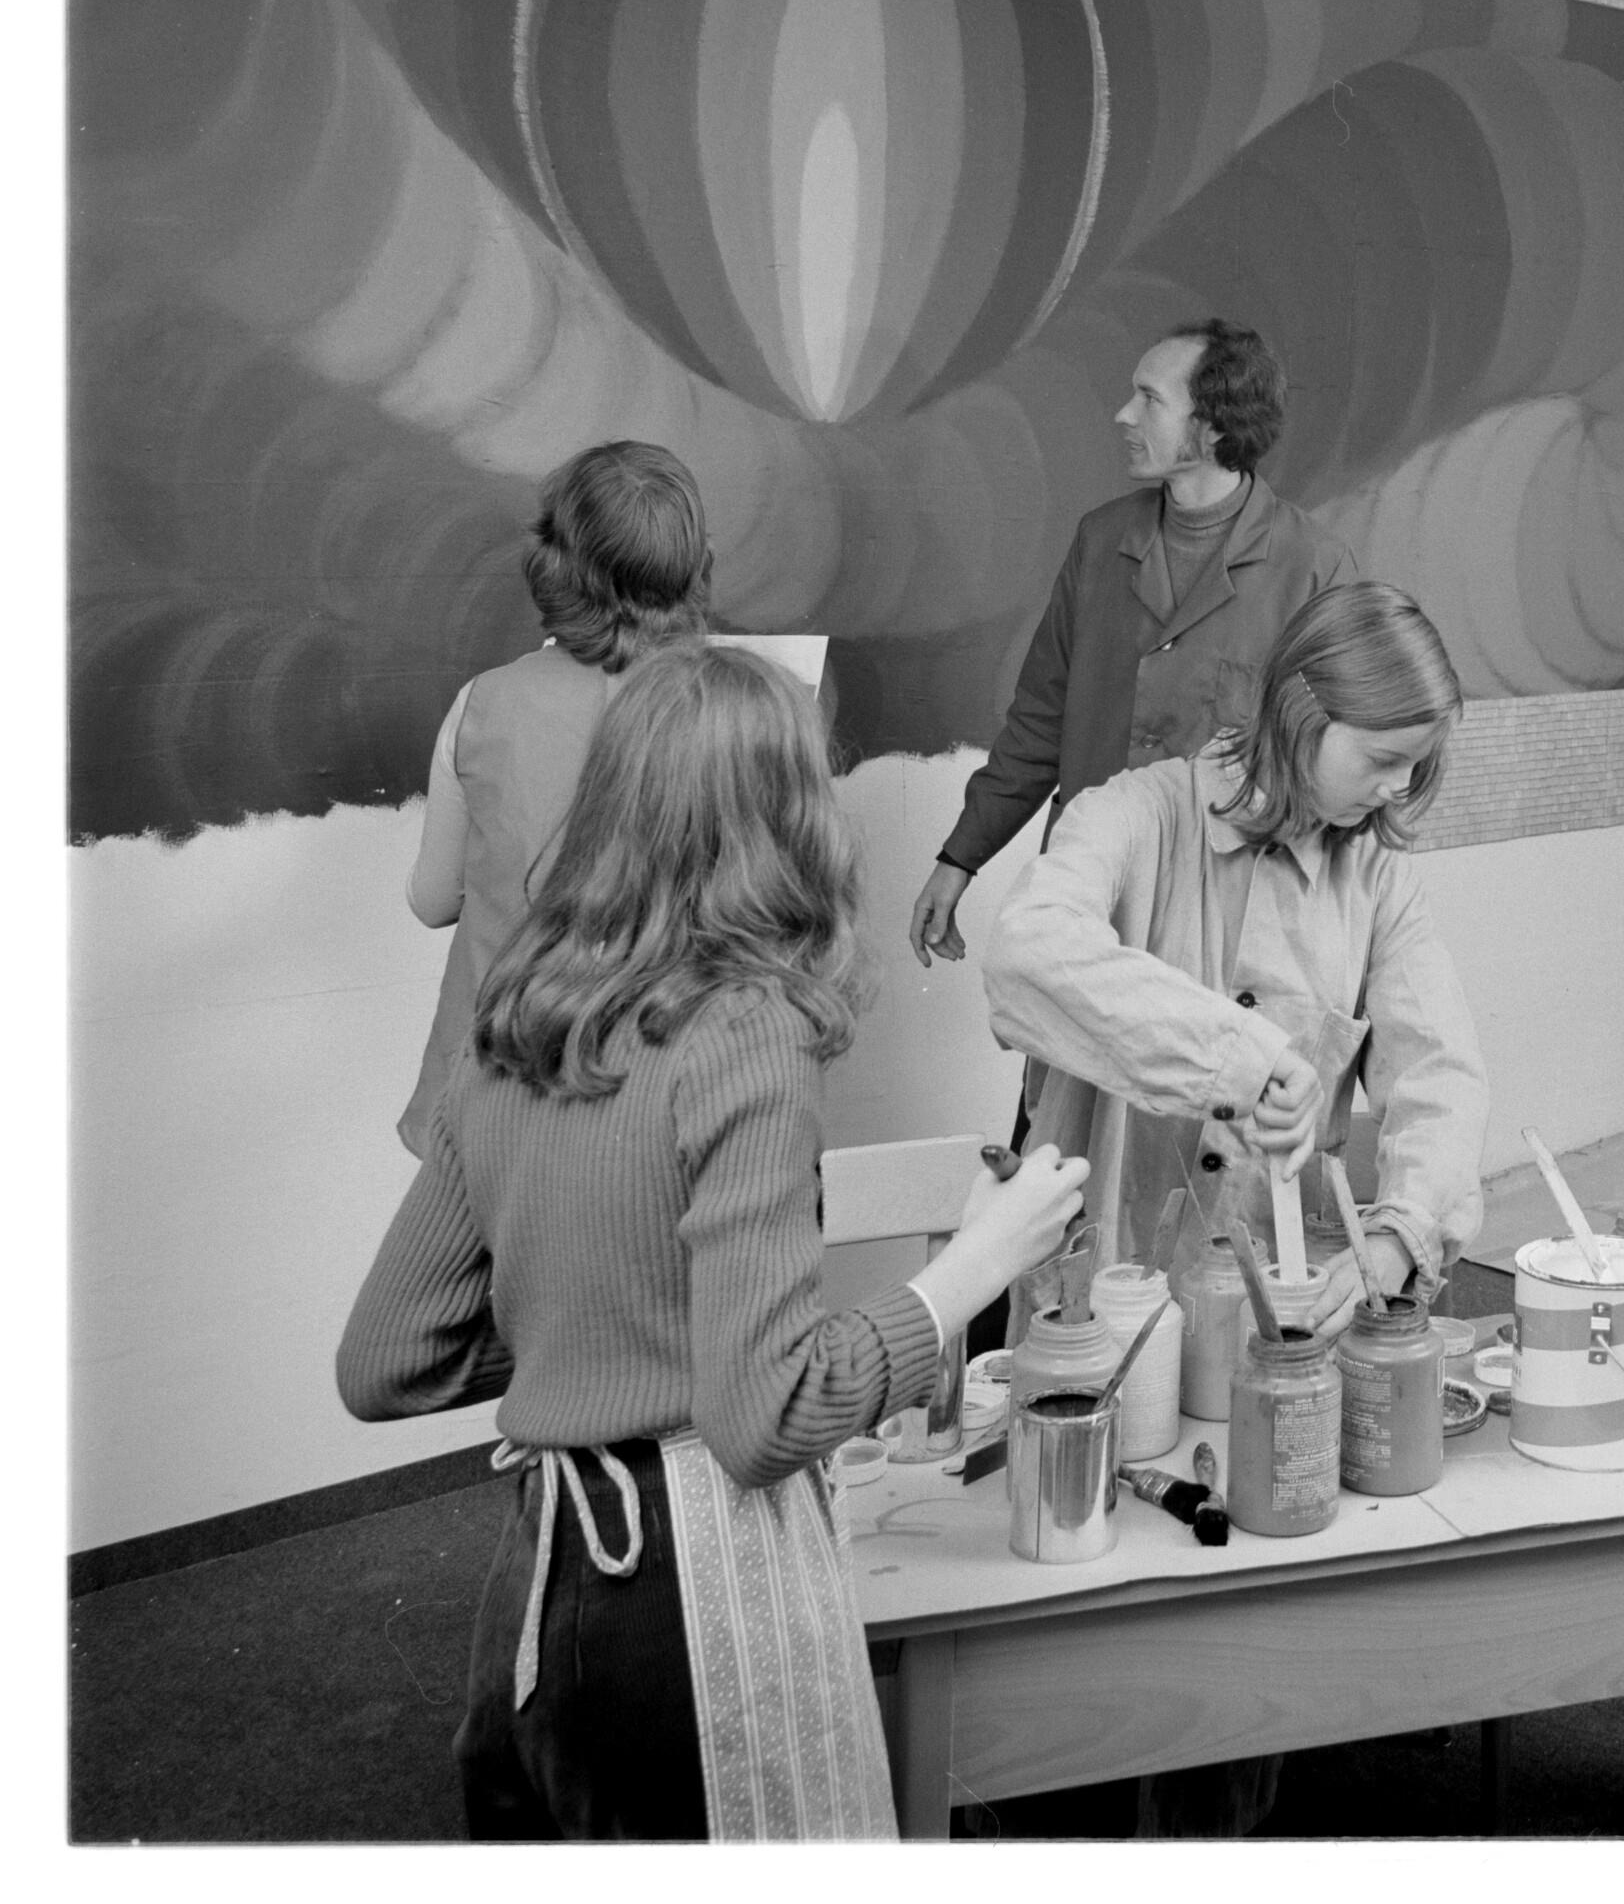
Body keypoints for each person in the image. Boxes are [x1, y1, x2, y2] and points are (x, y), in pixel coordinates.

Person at [339, 639, 1091, 1840]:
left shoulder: (520, 1019)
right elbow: (764, 1415)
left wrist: (612, 1328)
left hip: (537, 1593)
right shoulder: (746, 1034)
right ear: (790, 821)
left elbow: (384, 1361)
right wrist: (976, 1266)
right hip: (679, 1611)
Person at [979, 579, 1488, 1313]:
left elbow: (1440, 1079)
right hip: (1098, 1310)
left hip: (1271, 1315)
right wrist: (1245, 1058)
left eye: (1417, 763)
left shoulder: (1379, 881)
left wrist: (1401, 1235)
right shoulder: (1135, 815)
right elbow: (1026, 951)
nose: (1399, 786)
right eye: (1383, 757)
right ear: (1302, 715)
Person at [907, 318, 1356, 967]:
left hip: (1226, 910)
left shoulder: (1316, 567)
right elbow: (1040, 721)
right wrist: (960, 857)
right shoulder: (1100, 541)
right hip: (1090, 888)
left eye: (1149, 398)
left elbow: (1337, 761)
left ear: (1215, 424)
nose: (1123, 414)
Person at [396, 440, 717, 1157]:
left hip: (497, 1096)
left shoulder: (485, 702)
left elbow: (433, 902)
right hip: (666, 1099)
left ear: (551, 564)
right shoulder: (740, 708)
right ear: (697, 567)